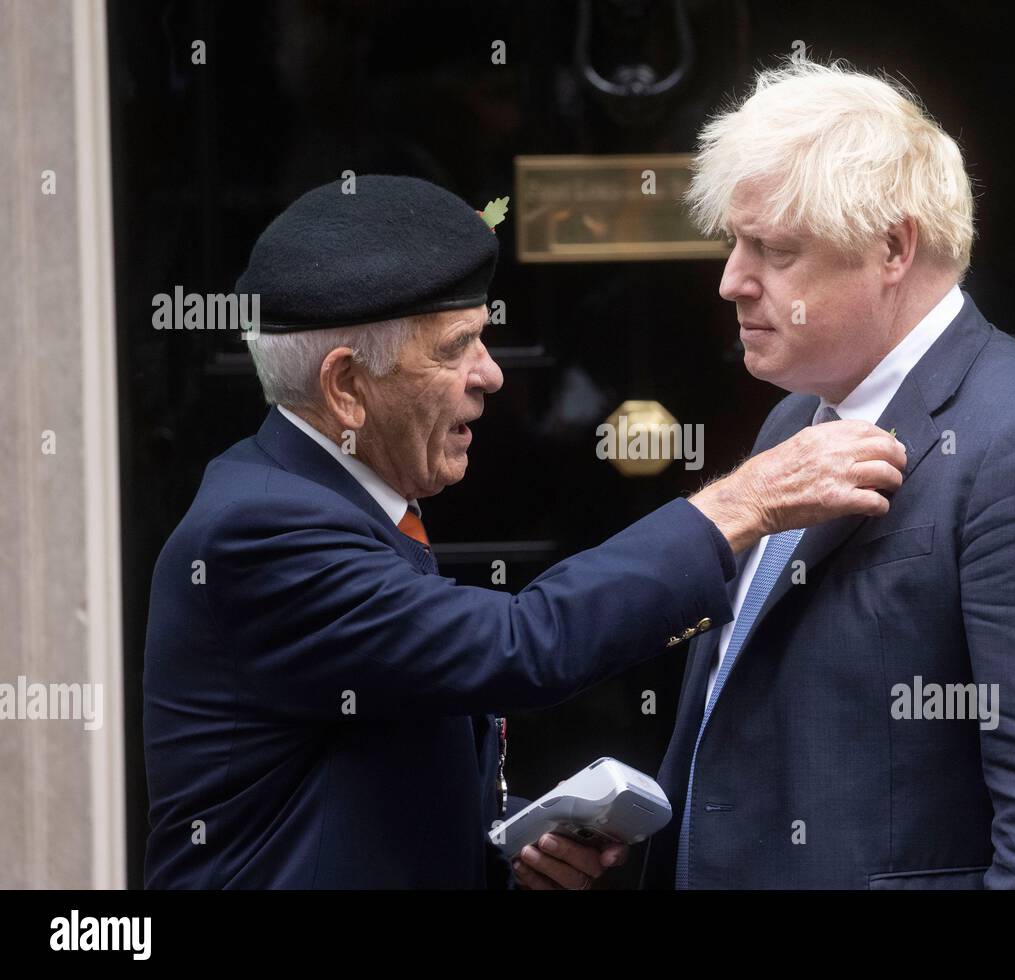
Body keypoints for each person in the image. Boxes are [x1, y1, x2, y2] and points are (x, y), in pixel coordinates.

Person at [141, 174, 906, 889]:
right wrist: (745, 504)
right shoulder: (261, 530)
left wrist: (501, 848)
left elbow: (359, 781)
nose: (491, 374)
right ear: (346, 387)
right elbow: (519, 646)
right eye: (454, 350)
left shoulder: (339, 497)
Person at [643, 60, 1015, 889]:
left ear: (893, 247)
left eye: (775, 250)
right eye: (735, 242)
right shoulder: (797, 417)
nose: (731, 281)